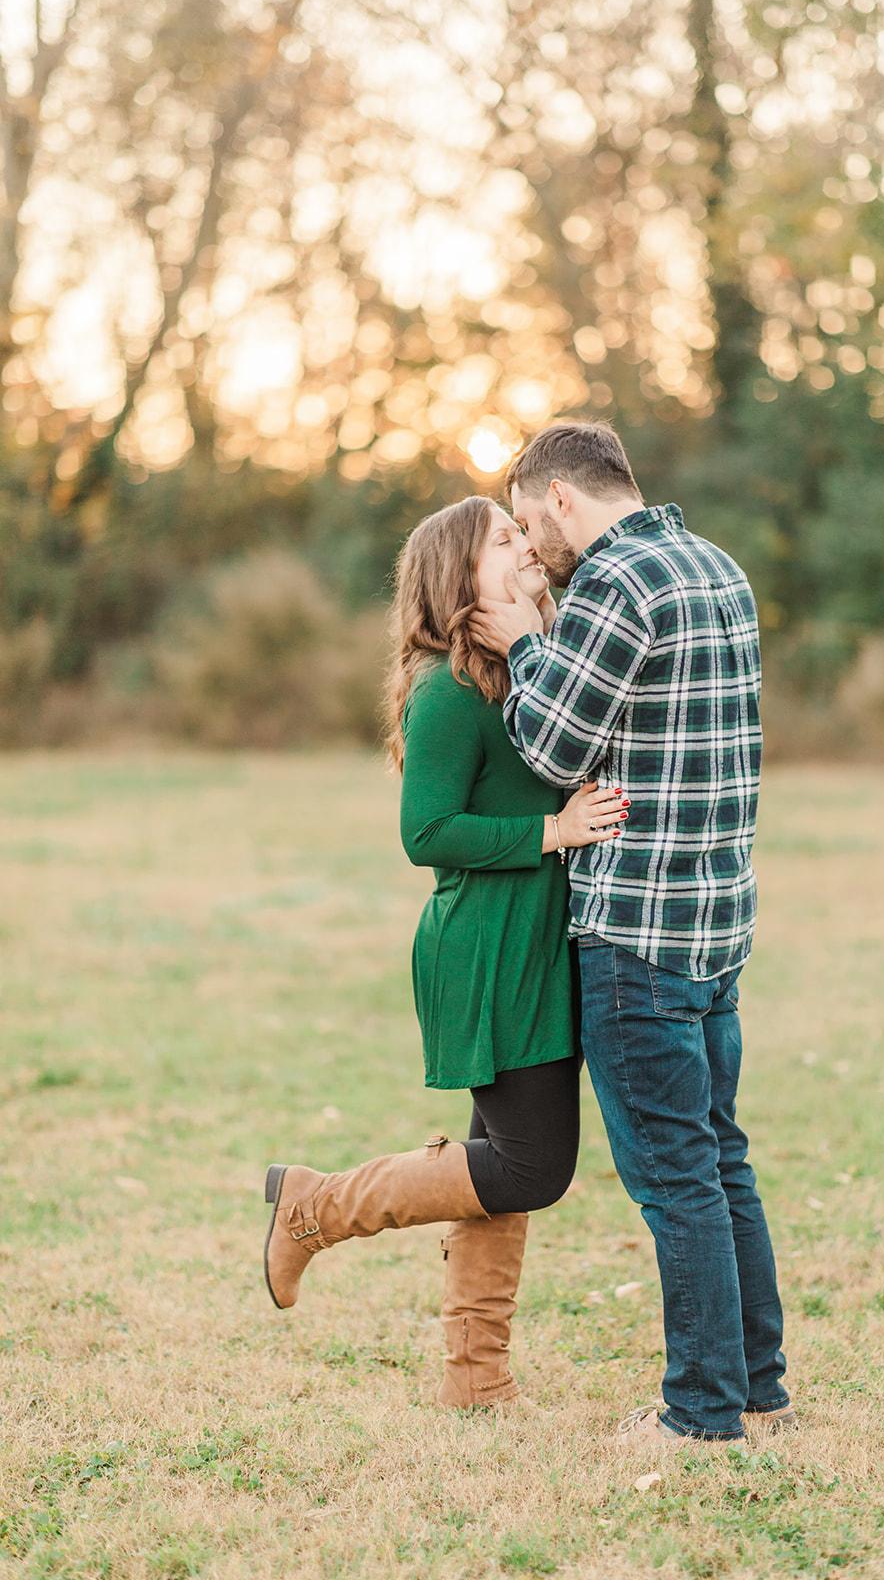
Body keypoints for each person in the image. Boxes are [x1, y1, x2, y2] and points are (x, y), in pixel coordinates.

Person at [262, 494, 627, 1411]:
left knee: (495, 1164)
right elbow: (425, 831)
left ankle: (476, 1380)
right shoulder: (448, 689)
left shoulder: (514, 671)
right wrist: (553, 831)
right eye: (504, 539)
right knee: (532, 1167)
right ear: (457, 574)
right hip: (487, 950)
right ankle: (314, 1206)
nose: (525, 545)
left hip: (535, 943)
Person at [470, 419, 794, 1450]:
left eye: (528, 522)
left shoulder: (614, 583)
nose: (531, 545)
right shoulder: (714, 567)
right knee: (720, 1160)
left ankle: (699, 1412)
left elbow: (552, 745)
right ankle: (756, 1387)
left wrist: (521, 641)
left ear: (561, 499)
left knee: (675, 1179)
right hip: (715, 924)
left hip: (637, 935)